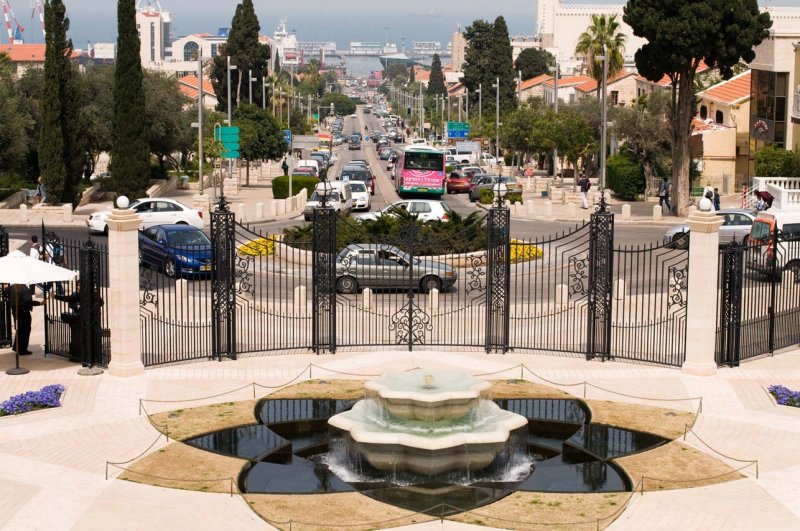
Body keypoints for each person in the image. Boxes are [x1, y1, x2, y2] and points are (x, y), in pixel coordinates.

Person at [7, 284, 42, 355]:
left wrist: (11, 299)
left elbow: (5, 291)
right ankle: (22, 350)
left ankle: (17, 347)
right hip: (23, 311)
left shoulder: (13, 286)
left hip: (15, 311)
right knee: (25, 330)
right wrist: (40, 303)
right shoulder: (24, 288)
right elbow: (28, 302)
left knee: (19, 329)